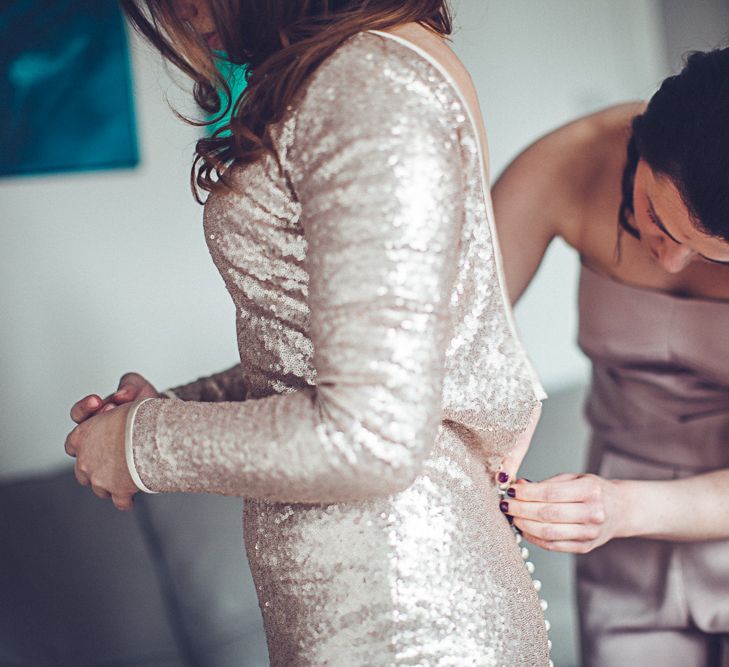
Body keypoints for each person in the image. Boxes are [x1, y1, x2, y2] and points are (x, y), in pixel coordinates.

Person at [63, 1, 551, 663]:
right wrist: (175, 408)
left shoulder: (370, 81)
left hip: (404, 614)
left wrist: (141, 443)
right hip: (380, 601)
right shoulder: (364, 64)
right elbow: (326, 354)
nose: (178, 8)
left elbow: (370, 436)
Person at [493, 47, 729, 666]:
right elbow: (456, 332)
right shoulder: (571, 161)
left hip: (634, 509)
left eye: (711, 255)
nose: (669, 258)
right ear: (641, 139)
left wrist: (624, 506)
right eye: (656, 215)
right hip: (618, 544)